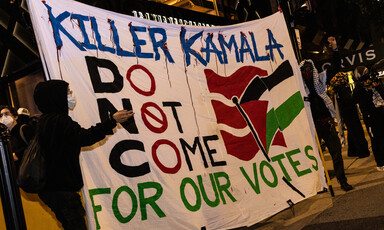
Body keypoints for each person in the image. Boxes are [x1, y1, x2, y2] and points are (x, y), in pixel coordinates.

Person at [32, 80, 134, 230]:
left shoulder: (45, 121)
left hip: (51, 188)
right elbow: (85, 137)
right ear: (56, 97)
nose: (71, 95)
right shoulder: (60, 121)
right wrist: (112, 121)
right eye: (67, 92)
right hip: (62, 188)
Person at [299, 36, 353, 191]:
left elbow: (336, 67)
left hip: (327, 123)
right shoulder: (301, 88)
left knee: (336, 153)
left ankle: (342, 181)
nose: (308, 73)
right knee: (315, 158)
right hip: (312, 128)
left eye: (310, 69)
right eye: (305, 70)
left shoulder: (320, 81)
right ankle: (321, 184)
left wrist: (335, 48)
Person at [328, 72, 370, 158]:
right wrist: (355, 94)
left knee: (352, 133)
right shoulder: (343, 88)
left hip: (346, 115)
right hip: (351, 114)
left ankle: (352, 151)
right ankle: (362, 152)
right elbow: (350, 100)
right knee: (357, 132)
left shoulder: (337, 89)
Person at [353, 66, 384, 171]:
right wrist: (368, 90)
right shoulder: (359, 88)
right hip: (370, 117)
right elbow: (362, 102)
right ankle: (380, 163)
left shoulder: (372, 82)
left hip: (381, 112)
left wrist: (378, 86)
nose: (368, 75)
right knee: (376, 140)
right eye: (365, 73)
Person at [0, 105, 35, 172]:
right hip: (20, 172)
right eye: (1, 115)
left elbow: (34, 146)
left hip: (31, 170)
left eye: (6, 114)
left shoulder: (23, 129)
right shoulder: (6, 135)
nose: (3, 117)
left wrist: (17, 154)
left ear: (15, 117)